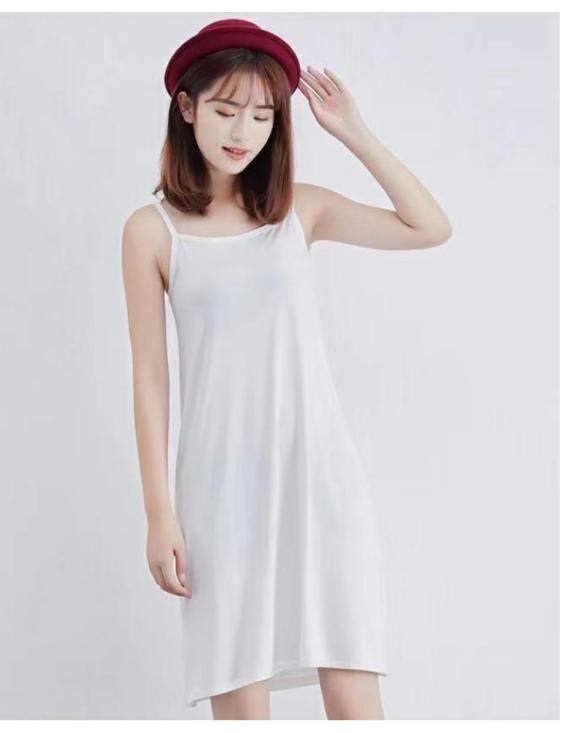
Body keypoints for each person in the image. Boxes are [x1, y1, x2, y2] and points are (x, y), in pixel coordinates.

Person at [121, 18, 452, 721]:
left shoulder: (299, 210)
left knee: (356, 691)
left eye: (263, 114)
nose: (243, 130)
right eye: (226, 109)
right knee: (241, 700)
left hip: (318, 476)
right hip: (219, 490)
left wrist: (354, 131)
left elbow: (430, 226)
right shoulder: (151, 231)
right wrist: (159, 512)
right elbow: (150, 378)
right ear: (187, 107)